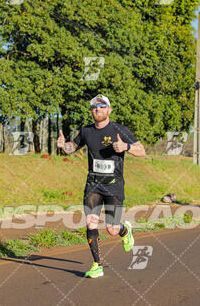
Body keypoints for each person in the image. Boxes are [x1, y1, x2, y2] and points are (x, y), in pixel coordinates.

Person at [57, 94, 146, 278]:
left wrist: (126, 148)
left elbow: (142, 150)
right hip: (93, 184)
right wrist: (63, 146)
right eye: (94, 107)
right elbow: (73, 147)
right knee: (90, 222)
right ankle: (97, 265)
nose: (97, 109)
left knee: (111, 229)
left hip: (114, 186)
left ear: (109, 110)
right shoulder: (87, 131)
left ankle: (124, 230)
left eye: (101, 106)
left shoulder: (119, 130)